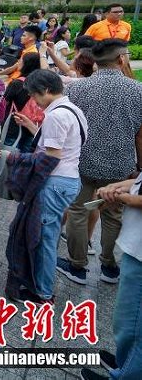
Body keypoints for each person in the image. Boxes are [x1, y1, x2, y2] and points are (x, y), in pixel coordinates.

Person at [59, 40, 142, 285]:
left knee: (78, 211)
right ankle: (108, 265)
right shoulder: (137, 90)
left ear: (95, 61)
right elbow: (140, 135)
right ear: (121, 59)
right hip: (121, 164)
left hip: (83, 161)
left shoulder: (77, 89)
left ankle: (77, 266)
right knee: (113, 213)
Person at [10, 70, 87, 304]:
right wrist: (33, 128)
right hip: (70, 178)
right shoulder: (73, 110)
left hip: (54, 183)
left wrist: (13, 158)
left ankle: (42, 292)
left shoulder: (55, 116)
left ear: (45, 90)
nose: (33, 100)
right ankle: (41, 286)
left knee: (43, 238)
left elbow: (51, 157)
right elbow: (56, 146)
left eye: (34, 94)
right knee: (46, 234)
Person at [79, 174, 142, 380]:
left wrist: (121, 196)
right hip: (136, 249)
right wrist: (119, 187)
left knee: (133, 325)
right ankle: (126, 363)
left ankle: (126, 374)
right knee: (127, 322)